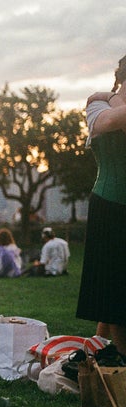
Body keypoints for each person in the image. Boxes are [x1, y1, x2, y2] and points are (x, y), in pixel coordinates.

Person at [77, 53, 126, 356]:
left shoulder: (104, 99)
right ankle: (118, 361)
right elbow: (108, 122)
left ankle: (104, 353)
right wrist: (111, 98)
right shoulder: (98, 107)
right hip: (110, 206)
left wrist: (111, 96)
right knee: (114, 294)